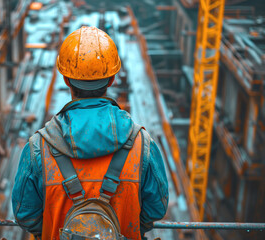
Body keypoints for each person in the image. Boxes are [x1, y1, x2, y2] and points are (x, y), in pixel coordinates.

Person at [12, 26, 168, 240]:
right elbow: (156, 209)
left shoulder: (38, 148)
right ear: (112, 79)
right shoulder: (142, 145)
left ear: (66, 80)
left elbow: (25, 214)